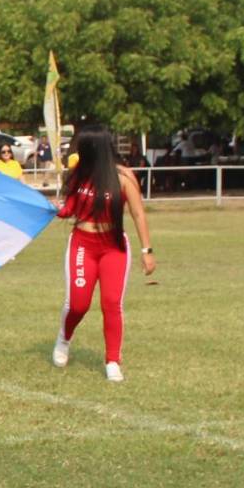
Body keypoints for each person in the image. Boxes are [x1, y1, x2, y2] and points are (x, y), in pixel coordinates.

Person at [52, 130, 156, 382]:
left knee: (111, 304)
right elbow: (71, 209)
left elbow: (138, 213)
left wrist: (147, 250)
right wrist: (55, 210)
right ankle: (64, 339)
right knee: (78, 303)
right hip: (82, 245)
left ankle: (112, 361)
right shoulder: (79, 175)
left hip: (113, 247)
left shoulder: (123, 176)